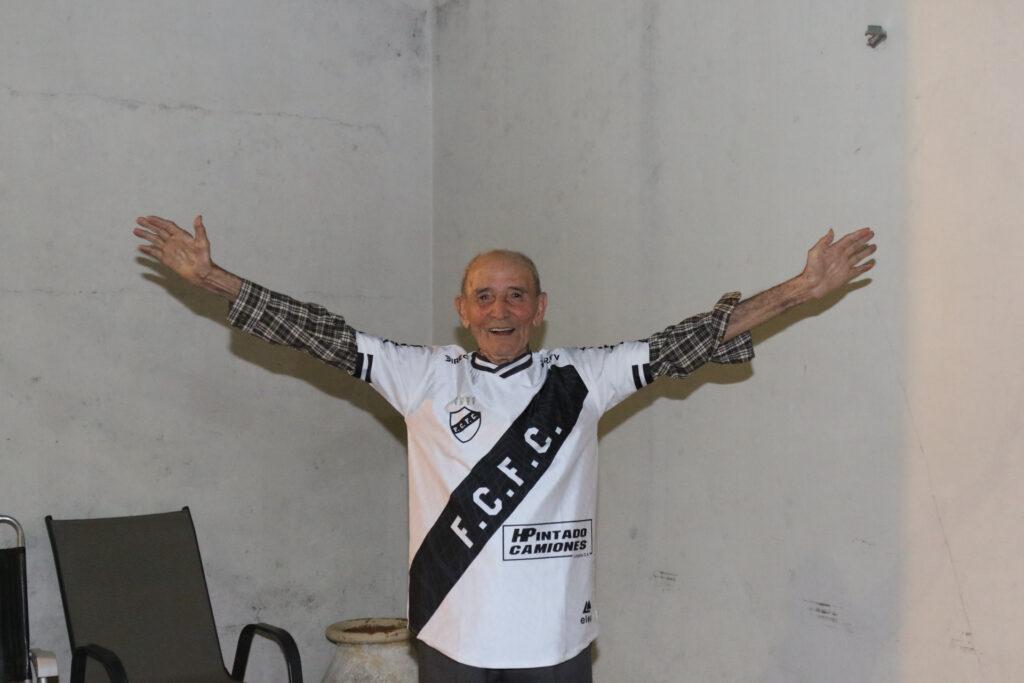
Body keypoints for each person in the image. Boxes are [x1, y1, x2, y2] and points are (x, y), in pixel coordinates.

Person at [134, 215, 875, 683]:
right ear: (462, 311)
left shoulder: (583, 377)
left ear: (540, 309)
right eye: (484, 296)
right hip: (451, 640)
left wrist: (800, 289)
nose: (501, 308)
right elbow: (317, 333)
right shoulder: (423, 376)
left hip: (556, 644)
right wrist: (213, 280)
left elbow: (688, 342)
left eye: (516, 294)